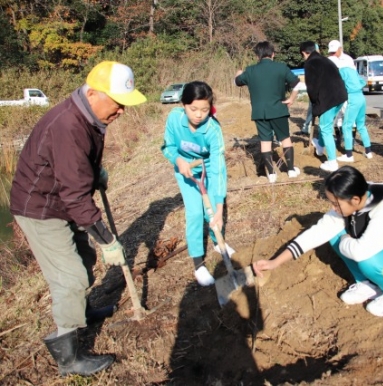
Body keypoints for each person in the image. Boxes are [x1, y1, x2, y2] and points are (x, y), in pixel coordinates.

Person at [9, 61, 146, 376]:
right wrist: (108, 240)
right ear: (94, 93)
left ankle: (81, 310)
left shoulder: (89, 116)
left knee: (84, 258)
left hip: (59, 199)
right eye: (117, 102)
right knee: (69, 277)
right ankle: (68, 358)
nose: (122, 111)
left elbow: (73, 169)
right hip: (41, 208)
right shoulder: (68, 124)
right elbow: (75, 197)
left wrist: (93, 172)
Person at [252, 166, 383, 317]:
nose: (333, 208)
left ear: (355, 200)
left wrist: (346, 240)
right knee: (333, 234)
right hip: (382, 254)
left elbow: (360, 252)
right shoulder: (353, 201)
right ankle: (368, 283)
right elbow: (315, 233)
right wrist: (275, 262)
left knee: (363, 255)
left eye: (336, 203)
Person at [161, 81, 231, 287]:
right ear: (183, 104)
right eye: (193, 109)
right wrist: (178, 160)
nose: (199, 115)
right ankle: (198, 263)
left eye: (204, 110)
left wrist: (219, 207)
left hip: (208, 171)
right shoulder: (175, 119)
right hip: (186, 171)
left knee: (212, 213)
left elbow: (218, 169)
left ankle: (218, 242)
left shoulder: (212, 130)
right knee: (194, 213)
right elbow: (168, 146)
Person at [235, 41, 301, 183]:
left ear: (257, 56)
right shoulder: (281, 68)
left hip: (260, 113)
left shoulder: (250, 70)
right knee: (285, 139)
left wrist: (238, 74)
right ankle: (290, 170)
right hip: (279, 110)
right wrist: (291, 99)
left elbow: (238, 82)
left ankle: (271, 174)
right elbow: (297, 84)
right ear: (273, 54)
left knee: (265, 142)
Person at [300, 40, 347, 172]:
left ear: (304, 53)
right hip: (340, 96)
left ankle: (332, 162)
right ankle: (320, 146)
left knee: (326, 128)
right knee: (326, 123)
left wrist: (315, 105)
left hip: (329, 98)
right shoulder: (325, 60)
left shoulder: (310, 63)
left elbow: (312, 88)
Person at [335, 64, 373, 162]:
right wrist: (356, 88)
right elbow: (363, 82)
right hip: (361, 97)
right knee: (361, 126)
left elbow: (337, 85)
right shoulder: (352, 70)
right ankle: (368, 152)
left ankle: (349, 155)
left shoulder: (340, 71)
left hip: (352, 98)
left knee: (346, 126)